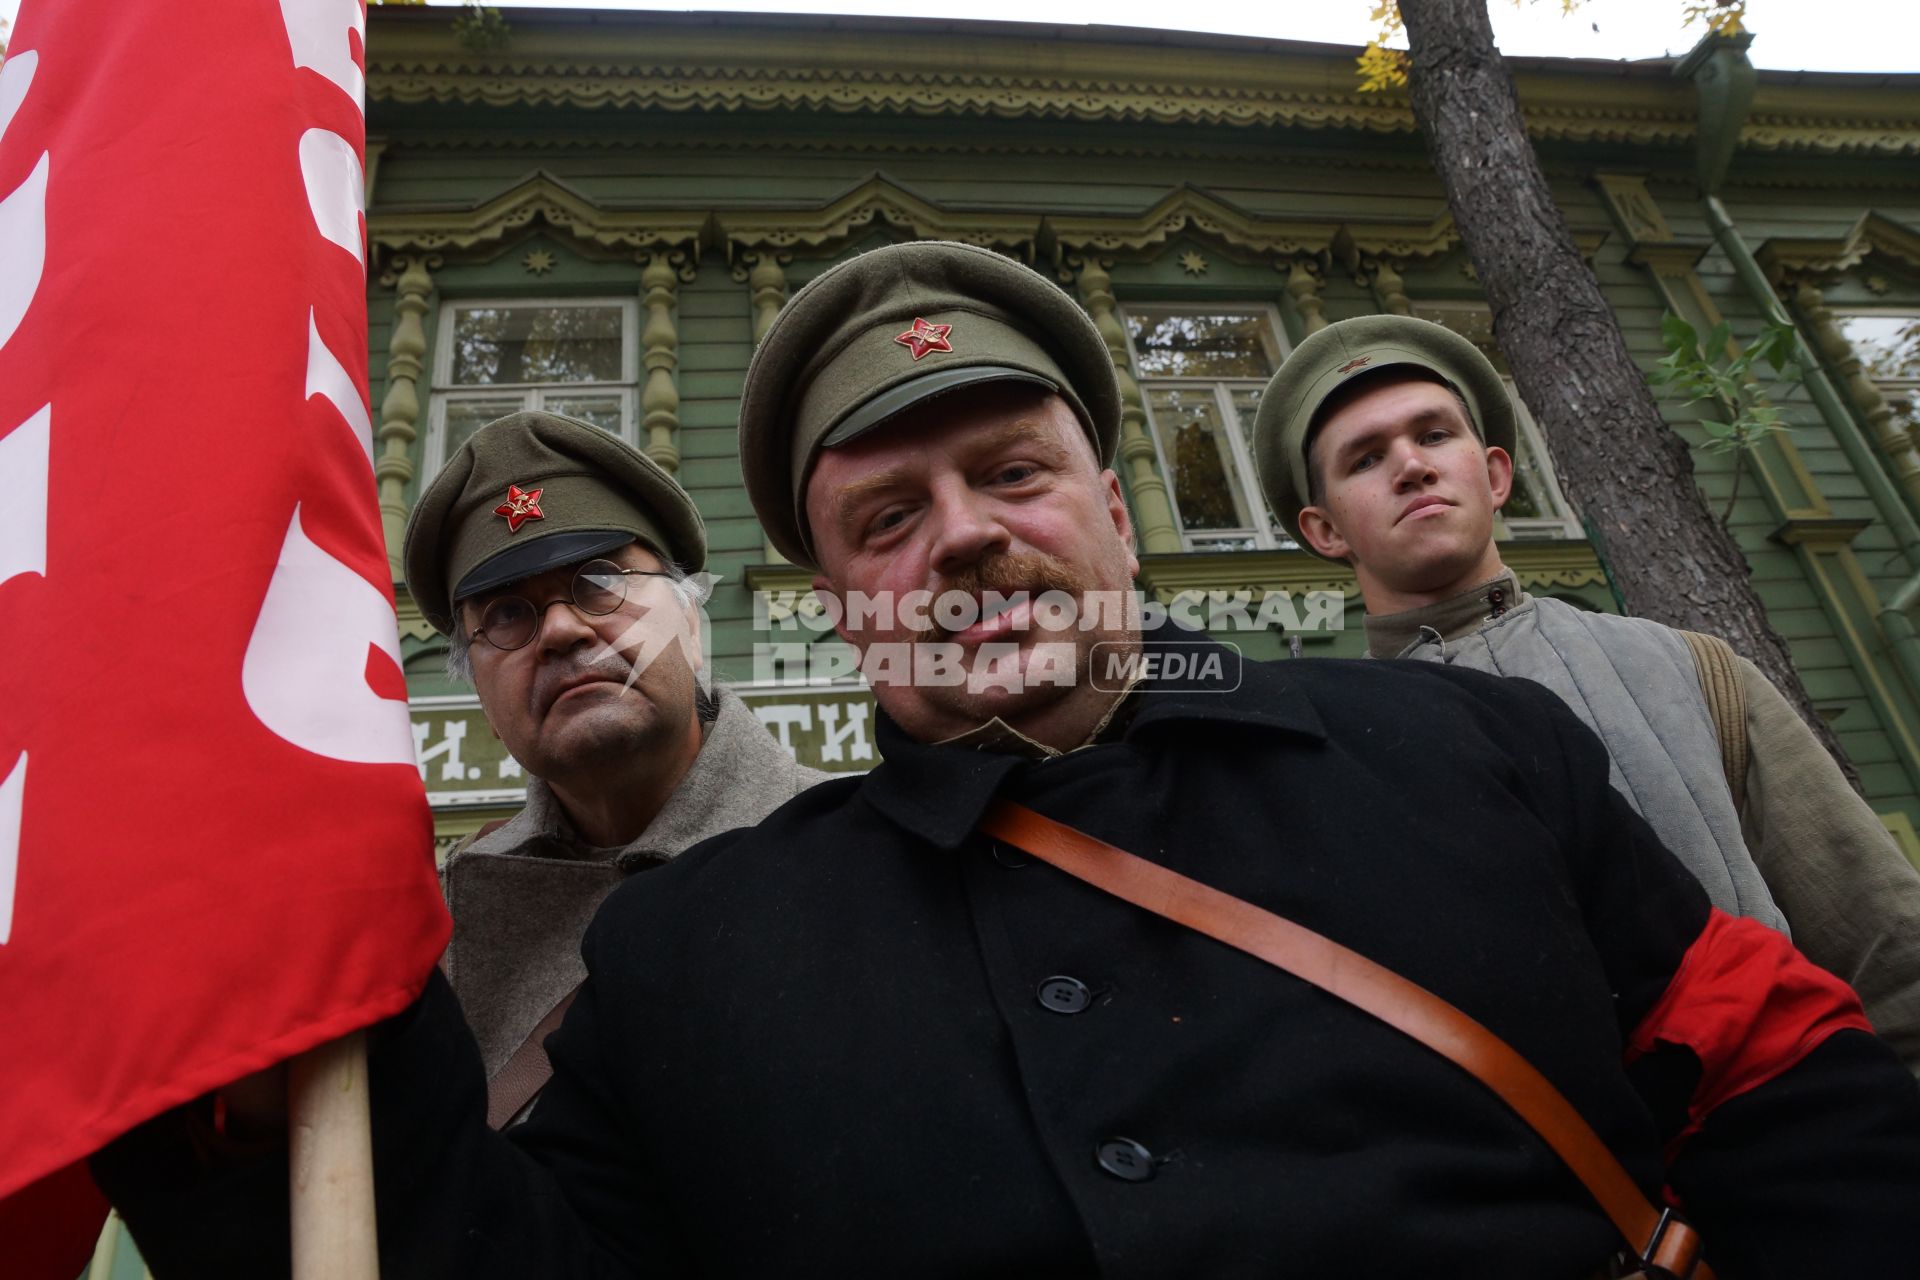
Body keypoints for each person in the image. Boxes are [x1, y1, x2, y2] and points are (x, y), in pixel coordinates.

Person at [95, 245, 1920, 1277]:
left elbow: (1791, 1084)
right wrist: (257, 1045)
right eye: (887, 516)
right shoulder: (690, 962)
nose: (961, 540)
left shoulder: (1473, 749)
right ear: (831, 602)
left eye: (1016, 478)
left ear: (1121, 519)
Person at [1251, 313, 1920, 1073]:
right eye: (1365, 459)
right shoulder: (1325, 753)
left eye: (1434, 435)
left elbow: (1888, 949)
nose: (1411, 466)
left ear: (1496, 474)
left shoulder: (1690, 671)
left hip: (1790, 1149)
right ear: (1324, 529)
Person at [403, 410, 824, 1123]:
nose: (564, 629)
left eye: (601, 582)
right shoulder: (437, 933)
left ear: (691, 625)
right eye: (507, 614)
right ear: (480, 691)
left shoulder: (866, 850)